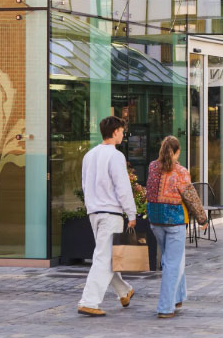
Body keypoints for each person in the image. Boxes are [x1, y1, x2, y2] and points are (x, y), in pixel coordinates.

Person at [77, 116, 137, 317]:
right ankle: (89, 301)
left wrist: (90, 207)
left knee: (109, 257)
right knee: (104, 258)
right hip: (111, 213)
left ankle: (124, 291)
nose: (123, 134)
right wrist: (131, 213)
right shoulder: (115, 156)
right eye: (121, 130)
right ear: (115, 132)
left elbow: (85, 185)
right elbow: (122, 186)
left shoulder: (89, 155)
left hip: (94, 213)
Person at [145, 136, 207, 319]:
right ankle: (165, 307)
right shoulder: (180, 171)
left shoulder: (152, 167)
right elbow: (191, 197)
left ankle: (178, 296)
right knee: (172, 263)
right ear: (178, 151)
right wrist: (202, 219)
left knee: (171, 259)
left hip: (155, 220)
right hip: (175, 221)